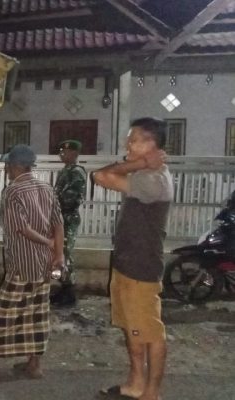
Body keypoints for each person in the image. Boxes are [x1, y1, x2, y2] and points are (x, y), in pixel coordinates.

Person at [0, 144, 63, 379]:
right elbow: (58, 224)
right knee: (37, 312)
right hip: (44, 264)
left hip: (22, 262)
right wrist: (58, 254)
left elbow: (21, 228)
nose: (6, 168)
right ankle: (34, 364)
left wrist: (47, 242)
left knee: (3, 311)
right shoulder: (47, 188)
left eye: (8, 164)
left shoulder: (12, 191)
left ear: (17, 166)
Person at [93, 118, 172, 400]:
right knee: (133, 329)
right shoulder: (143, 174)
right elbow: (102, 175)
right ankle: (136, 383)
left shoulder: (154, 180)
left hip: (141, 268)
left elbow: (100, 176)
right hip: (127, 265)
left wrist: (137, 164)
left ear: (152, 144)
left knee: (151, 333)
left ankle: (151, 393)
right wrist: (138, 163)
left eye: (134, 140)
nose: (128, 144)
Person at [50, 139, 86, 307]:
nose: (62, 154)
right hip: (60, 218)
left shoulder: (76, 172)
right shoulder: (66, 170)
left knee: (65, 254)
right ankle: (64, 288)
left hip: (68, 218)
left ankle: (69, 292)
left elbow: (71, 197)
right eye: (61, 152)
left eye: (65, 152)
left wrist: (56, 205)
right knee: (59, 253)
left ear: (75, 153)